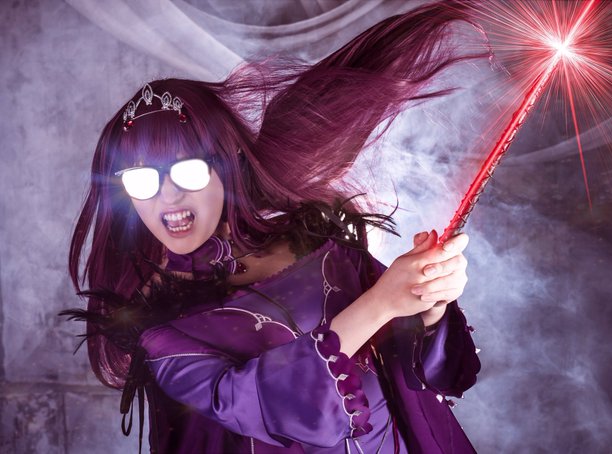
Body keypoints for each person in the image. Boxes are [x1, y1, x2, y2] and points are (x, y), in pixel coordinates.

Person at [62, 2, 482, 452]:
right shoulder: (157, 323)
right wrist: (379, 303)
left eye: (188, 171)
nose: (167, 195)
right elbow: (252, 399)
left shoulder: (317, 246)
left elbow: (413, 360)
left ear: (227, 165)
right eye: (141, 180)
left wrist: (429, 298)